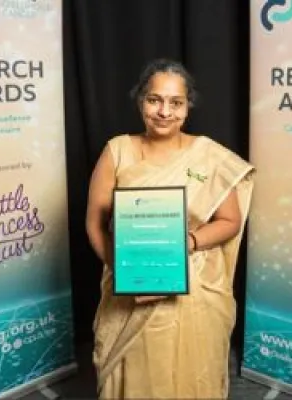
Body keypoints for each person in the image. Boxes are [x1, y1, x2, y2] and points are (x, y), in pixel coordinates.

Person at [86, 58, 255, 399]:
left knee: (190, 373)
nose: (164, 111)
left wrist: (189, 243)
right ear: (141, 101)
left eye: (175, 103)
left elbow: (230, 221)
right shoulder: (117, 151)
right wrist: (122, 271)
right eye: (154, 100)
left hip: (194, 291)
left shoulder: (209, 155)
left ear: (187, 107)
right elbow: (94, 223)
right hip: (131, 289)